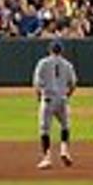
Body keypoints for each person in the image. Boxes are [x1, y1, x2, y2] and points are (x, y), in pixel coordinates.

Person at [32, 40, 76, 170]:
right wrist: (67, 96)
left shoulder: (43, 63)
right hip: (62, 99)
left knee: (45, 130)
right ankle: (64, 150)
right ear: (62, 51)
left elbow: (37, 83)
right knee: (65, 126)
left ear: (50, 50)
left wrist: (39, 96)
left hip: (48, 98)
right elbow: (73, 84)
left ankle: (47, 158)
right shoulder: (67, 64)